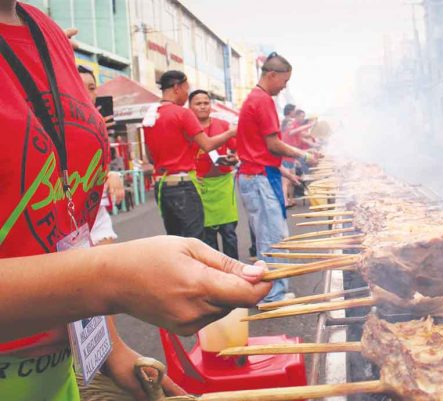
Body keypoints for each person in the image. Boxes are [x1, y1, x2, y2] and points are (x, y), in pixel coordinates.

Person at [0, 3, 271, 400]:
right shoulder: (175, 116)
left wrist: (108, 344)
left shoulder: (47, 33)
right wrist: (111, 280)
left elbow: (67, 217)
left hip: (59, 372)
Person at [237, 52, 322, 302]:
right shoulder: (261, 100)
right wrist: (304, 156)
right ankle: (273, 295)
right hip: (258, 177)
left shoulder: (257, 98)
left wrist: (284, 170)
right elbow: (273, 145)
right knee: (272, 239)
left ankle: (275, 290)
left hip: (261, 173)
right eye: (284, 81)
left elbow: (261, 149)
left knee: (272, 236)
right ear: (271, 75)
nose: (285, 86)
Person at [143, 70, 236, 240]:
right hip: (183, 186)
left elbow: (149, 157)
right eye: (186, 89)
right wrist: (231, 133)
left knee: (176, 240)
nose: (187, 94)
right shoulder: (182, 113)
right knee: (195, 240)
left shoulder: (150, 116)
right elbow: (207, 144)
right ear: (177, 87)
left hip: (162, 187)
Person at [78, 64, 125, 245]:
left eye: (91, 88)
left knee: (107, 269)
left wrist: (112, 174)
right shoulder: (50, 126)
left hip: (97, 211)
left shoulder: (99, 127)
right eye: (79, 86)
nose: (87, 94)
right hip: (67, 216)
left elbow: (100, 165)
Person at [189, 89, 240, 259]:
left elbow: (237, 148)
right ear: (190, 107)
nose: (203, 106)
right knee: (208, 237)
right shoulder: (186, 129)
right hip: (200, 185)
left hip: (223, 184)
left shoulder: (223, 125)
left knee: (229, 233)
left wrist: (234, 158)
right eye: (198, 103)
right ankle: (216, 274)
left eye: (206, 103)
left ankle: (235, 271)